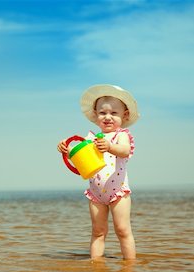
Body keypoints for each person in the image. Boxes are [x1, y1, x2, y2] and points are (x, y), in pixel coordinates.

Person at [57, 84, 140, 260]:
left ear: (124, 116)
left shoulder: (122, 135)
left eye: (114, 113)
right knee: (97, 231)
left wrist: (110, 146)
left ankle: (130, 266)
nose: (108, 117)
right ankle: (96, 267)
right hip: (96, 194)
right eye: (103, 113)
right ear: (95, 115)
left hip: (118, 191)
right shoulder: (90, 138)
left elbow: (125, 150)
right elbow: (80, 159)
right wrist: (66, 149)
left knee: (123, 230)